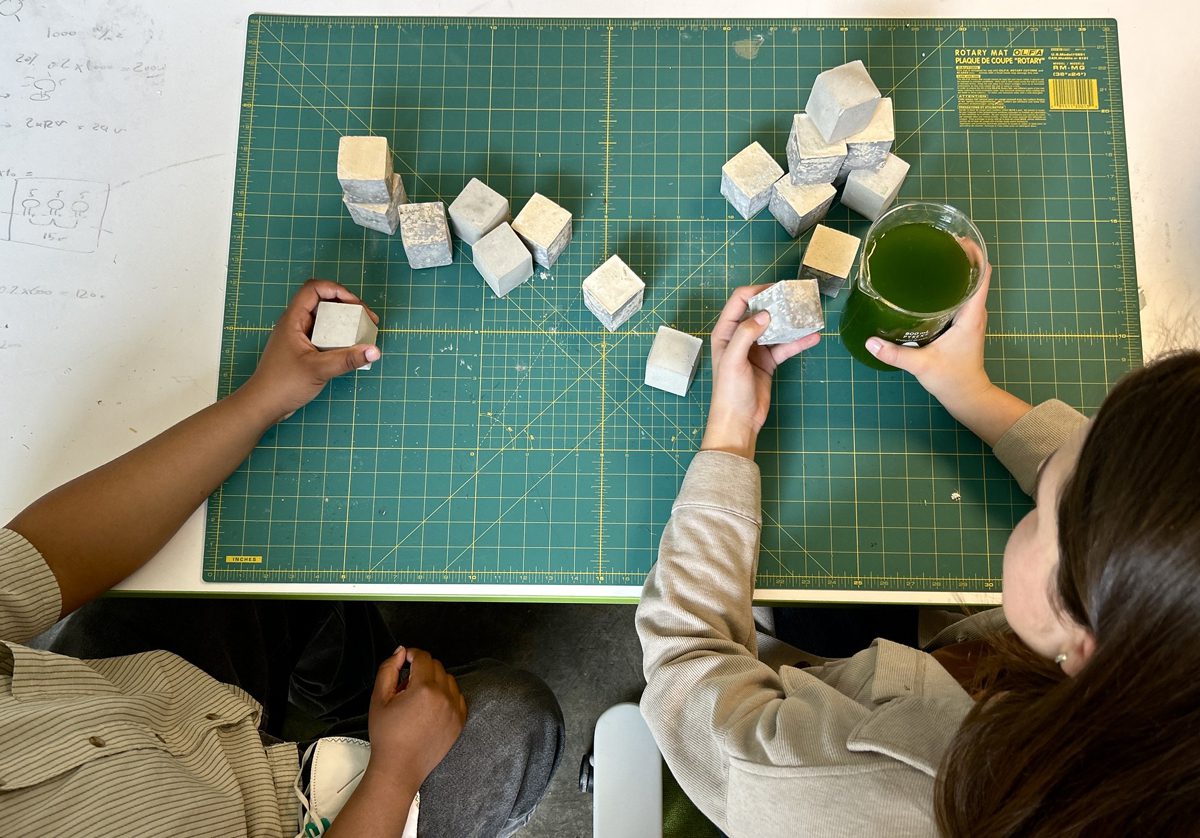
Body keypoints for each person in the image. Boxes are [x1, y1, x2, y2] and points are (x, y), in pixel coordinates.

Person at [636, 262, 1200, 836]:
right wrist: (970, 390)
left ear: (1086, 646)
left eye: (1045, 514)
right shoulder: (1158, 692)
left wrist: (732, 427)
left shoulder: (847, 790)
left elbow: (685, 658)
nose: (1049, 477)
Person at [0, 280, 564, 837]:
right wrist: (395, 773)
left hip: (144, 701)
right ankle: (387, 720)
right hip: (275, 817)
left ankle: (358, 685)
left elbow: (47, 556)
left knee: (257, 543)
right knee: (516, 718)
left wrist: (263, 397)